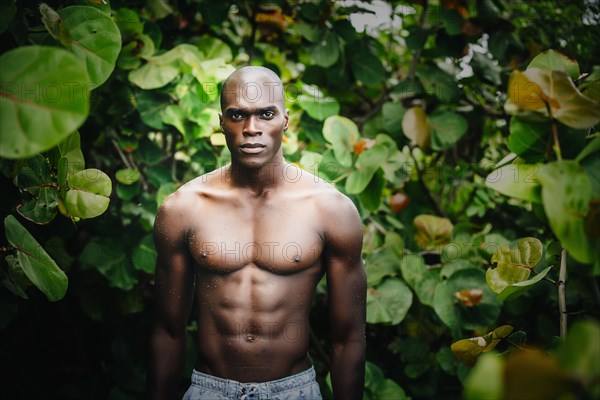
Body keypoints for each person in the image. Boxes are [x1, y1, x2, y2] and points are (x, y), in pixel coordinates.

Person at [147, 66, 366, 400]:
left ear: (285, 119)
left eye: (266, 114)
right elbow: (167, 331)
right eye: (238, 115)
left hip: (293, 391)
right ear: (222, 123)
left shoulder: (330, 210)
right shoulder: (184, 208)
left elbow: (348, 338)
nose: (251, 129)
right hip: (210, 389)